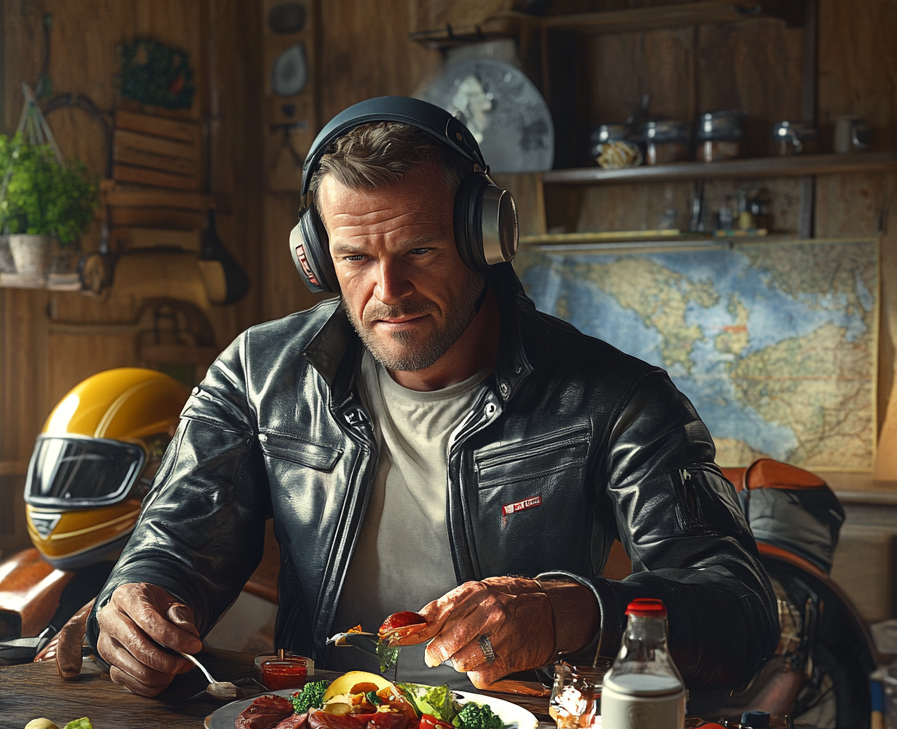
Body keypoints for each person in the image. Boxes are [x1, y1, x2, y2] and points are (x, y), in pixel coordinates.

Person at [84, 96, 779, 697]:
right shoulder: (257, 374)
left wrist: (569, 613)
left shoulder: (616, 399)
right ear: (318, 259)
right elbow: (172, 551)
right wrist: (135, 611)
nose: (387, 292)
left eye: (418, 251)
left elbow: (740, 617)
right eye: (355, 258)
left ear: (484, 239)